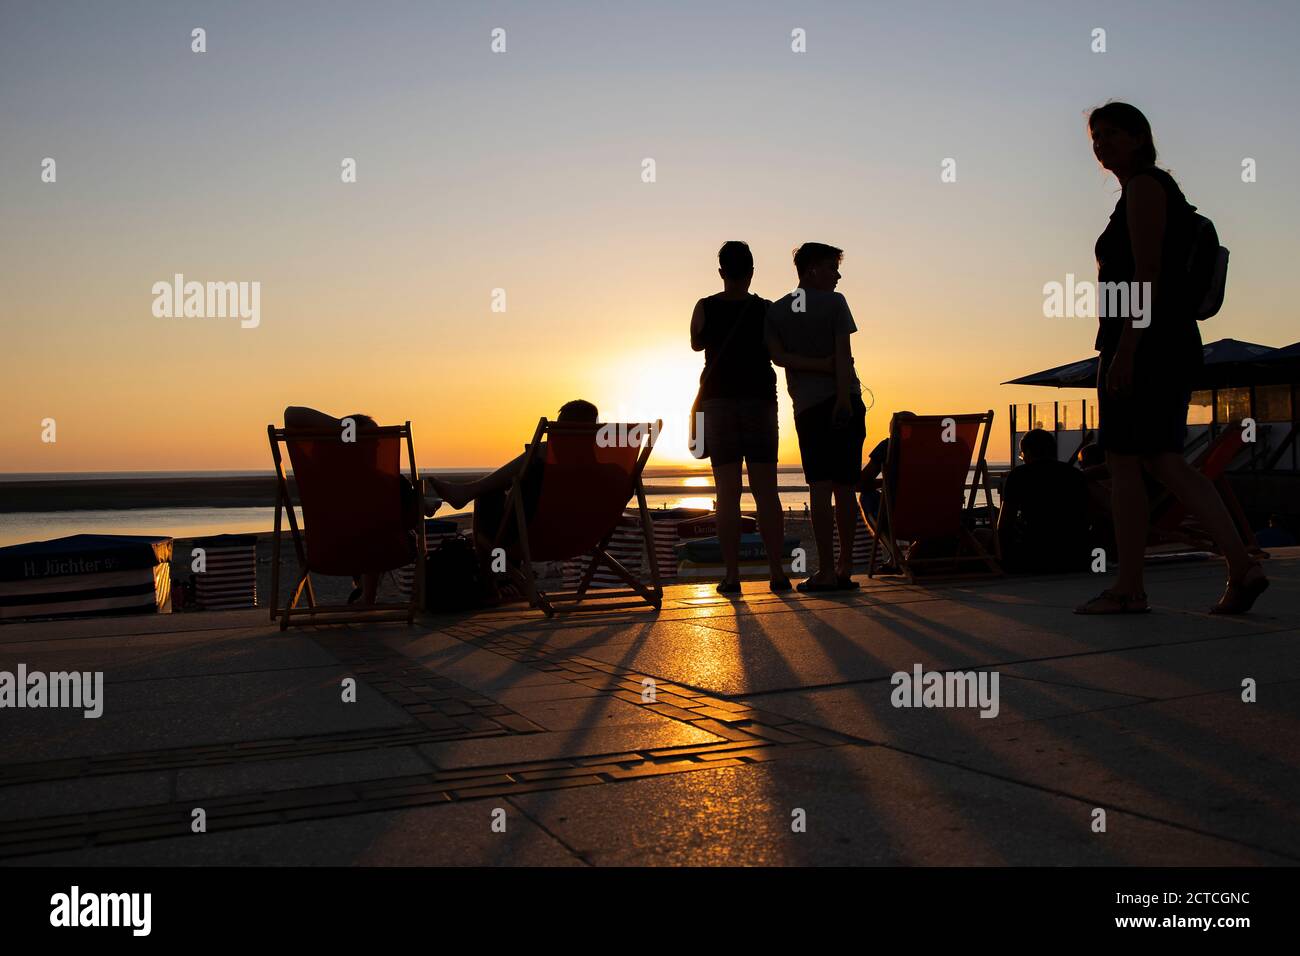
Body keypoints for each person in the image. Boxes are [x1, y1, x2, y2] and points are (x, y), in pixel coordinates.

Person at [1075, 102, 1267, 614]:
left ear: (1140, 138)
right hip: (1164, 339)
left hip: (1145, 342)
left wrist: (1127, 349)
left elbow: (1149, 272)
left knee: (1126, 463)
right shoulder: (1151, 190)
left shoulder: (1144, 187)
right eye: (1095, 136)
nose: (1101, 144)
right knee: (1159, 459)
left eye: (1112, 133)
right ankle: (1241, 566)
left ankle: (1130, 588)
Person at [690, 241, 799, 593]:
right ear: (752, 272)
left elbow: (695, 343)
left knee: (727, 492)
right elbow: (777, 350)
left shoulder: (705, 306)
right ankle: (777, 574)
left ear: (721, 272)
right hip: (760, 402)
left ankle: (733, 576)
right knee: (766, 491)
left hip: (719, 403)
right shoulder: (765, 310)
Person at [766, 242, 867, 592]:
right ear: (811, 269)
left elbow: (779, 358)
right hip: (845, 400)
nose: (837, 275)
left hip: (809, 408)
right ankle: (842, 567)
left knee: (821, 489)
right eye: (831, 267)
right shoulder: (835, 303)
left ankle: (826, 569)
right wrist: (841, 397)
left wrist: (813, 366)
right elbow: (843, 354)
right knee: (846, 490)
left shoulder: (778, 311)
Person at [429, 399, 599, 601]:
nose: (553, 433)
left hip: (533, 541)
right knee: (503, 525)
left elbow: (517, 519)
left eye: (557, 427)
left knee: (490, 507)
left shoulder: (542, 465)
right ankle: (504, 579)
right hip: (584, 539)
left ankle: (494, 582)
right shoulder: (611, 468)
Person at [282, 406, 433, 605]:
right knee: (384, 529)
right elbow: (409, 518)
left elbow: (291, 414)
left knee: (371, 526)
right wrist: (424, 505)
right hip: (381, 550)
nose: (378, 445)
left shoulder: (320, 476)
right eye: (374, 440)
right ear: (350, 441)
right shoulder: (388, 482)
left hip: (327, 551)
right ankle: (368, 595)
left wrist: (343, 428)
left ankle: (365, 593)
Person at [997, 429, 1091, 573]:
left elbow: (1004, 525)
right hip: (1074, 554)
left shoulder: (1019, 476)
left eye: (1022, 455)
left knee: (980, 534)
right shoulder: (1076, 475)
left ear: (1028, 452)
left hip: (1033, 555)